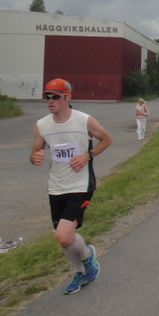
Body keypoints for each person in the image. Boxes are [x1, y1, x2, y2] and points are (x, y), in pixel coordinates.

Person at [30, 78, 112, 295]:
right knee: (63, 239)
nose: (50, 101)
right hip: (56, 187)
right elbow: (35, 151)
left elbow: (106, 139)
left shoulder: (84, 121)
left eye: (55, 96)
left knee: (63, 236)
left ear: (67, 97)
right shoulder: (42, 125)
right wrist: (35, 157)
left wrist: (87, 155)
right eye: (47, 96)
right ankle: (82, 271)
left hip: (81, 185)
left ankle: (87, 257)